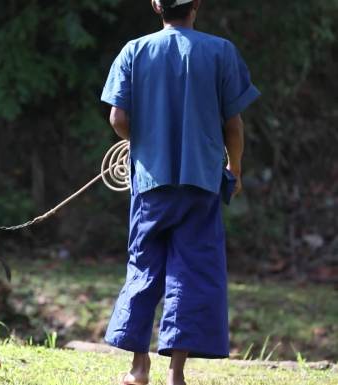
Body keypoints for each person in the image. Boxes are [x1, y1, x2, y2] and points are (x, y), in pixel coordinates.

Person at [100, 1, 260, 384]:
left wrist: (146, 141)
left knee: (144, 267)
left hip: (151, 184)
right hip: (201, 183)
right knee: (191, 273)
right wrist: (234, 168)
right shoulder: (220, 51)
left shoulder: (134, 50)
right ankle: (176, 374)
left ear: (157, 6)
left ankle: (139, 369)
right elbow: (233, 126)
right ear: (197, 5)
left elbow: (118, 118)